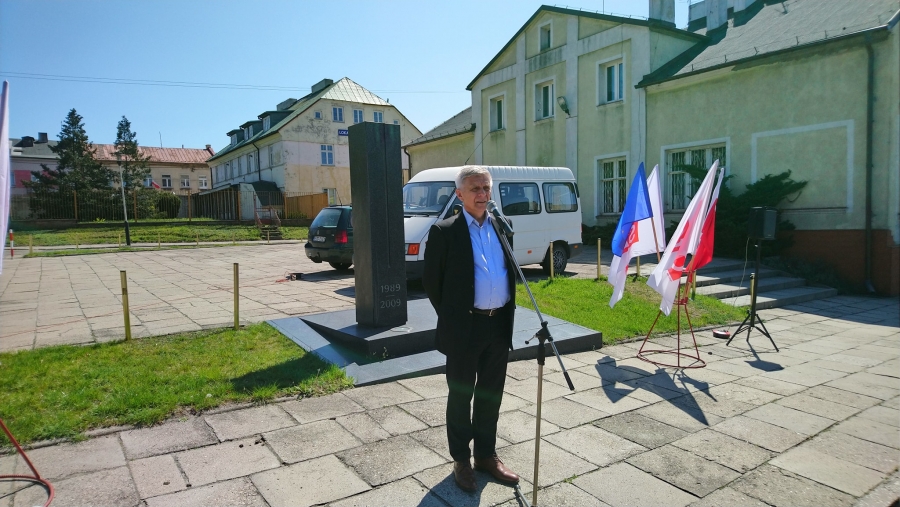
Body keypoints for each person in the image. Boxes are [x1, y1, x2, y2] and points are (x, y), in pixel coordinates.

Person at [423, 166, 520, 492]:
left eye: (486, 188)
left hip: (499, 324)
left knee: (491, 394)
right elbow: (432, 283)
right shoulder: (444, 231)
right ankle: (461, 460)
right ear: (460, 194)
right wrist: (454, 317)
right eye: (475, 188)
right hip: (464, 328)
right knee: (461, 396)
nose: (482, 194)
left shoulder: (502, 226)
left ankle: (486, 455)